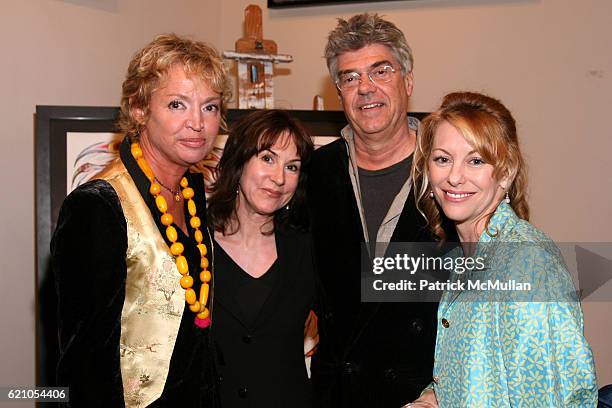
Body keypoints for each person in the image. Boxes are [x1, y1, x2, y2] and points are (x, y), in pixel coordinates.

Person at [51, 34, 231, 407]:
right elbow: (83, 365)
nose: (197, 123)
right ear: (139, 109)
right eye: (177, 104)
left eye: (210, 107)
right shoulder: (97, 207)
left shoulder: (191, 190)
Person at [409, 91, 598, 406]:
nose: (454, 177)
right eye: (443, 158)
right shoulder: (465, 259)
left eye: (476, 160)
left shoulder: (526, 262)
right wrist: (433, 397)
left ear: (507, 172)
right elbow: (482, 377)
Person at [308, 13, 441, 407]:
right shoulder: (315, 173)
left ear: (408, 81)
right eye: (350, 78)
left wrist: (444, 390)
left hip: (425, 394)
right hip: (337, 394)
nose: (365, 88)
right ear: (339, 93)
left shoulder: (449, 167)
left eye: (381, 71)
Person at [207, 109, 315, 407]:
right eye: (267, 158)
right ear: (239, 161)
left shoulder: (308, 251)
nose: (279, 178)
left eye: (292, 167)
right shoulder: (194, 245)